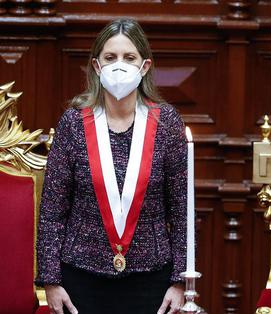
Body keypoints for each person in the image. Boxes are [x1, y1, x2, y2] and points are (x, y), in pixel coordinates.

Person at [35, 18, 187, 314]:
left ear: (144, 67)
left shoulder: (166, 123)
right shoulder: (73, 123)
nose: (120, 65)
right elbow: (52, 211)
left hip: (152, 280)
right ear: (96, 66)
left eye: (129, 58)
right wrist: (51, 282)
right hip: (80, 279)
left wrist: (179, 282)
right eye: (110, 57)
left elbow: (181, 210)